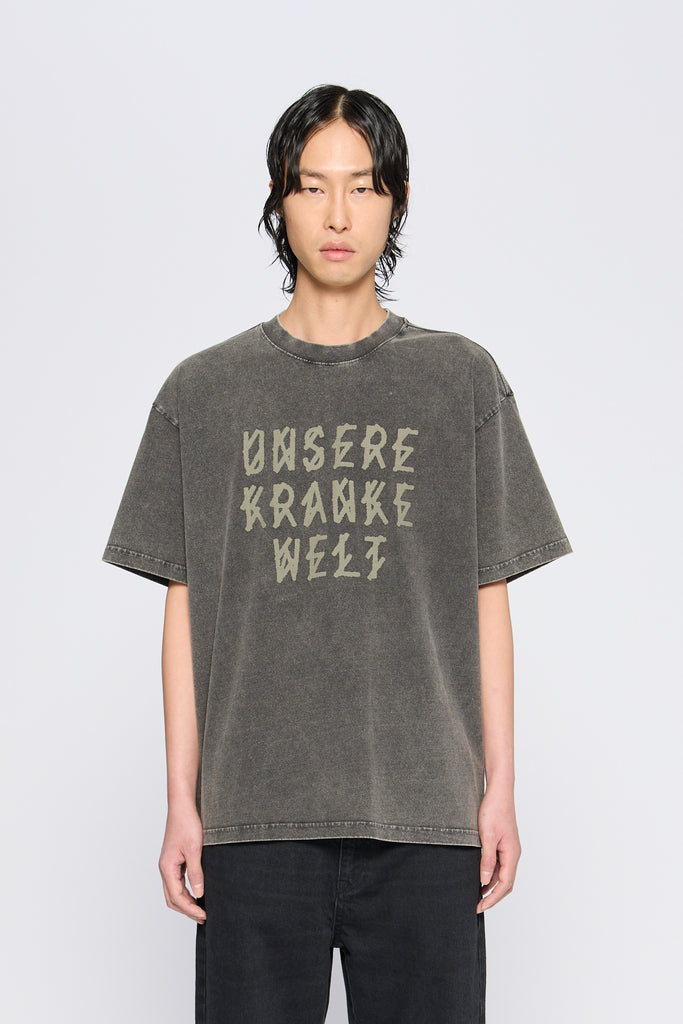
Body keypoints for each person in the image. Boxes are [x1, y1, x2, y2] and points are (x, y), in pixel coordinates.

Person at [102, 84, 573, 1023]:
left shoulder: (459, 379)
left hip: (425, 817)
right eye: (312, 186)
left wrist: (499, 792)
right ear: (278, 200)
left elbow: (488, 592)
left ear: (396, 200)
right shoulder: (204, 392)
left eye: (362, 187)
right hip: (252, 820)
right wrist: (181, 803)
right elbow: (182, 608)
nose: (337, 214)